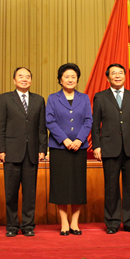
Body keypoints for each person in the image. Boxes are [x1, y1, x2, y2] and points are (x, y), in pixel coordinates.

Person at [0, 67, 48, 237]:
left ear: (31, 80)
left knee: (30, 192)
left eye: (28, 77)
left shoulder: (39, 100)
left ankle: (28, 225)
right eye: (21, 76)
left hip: (32, 152)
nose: (24, 79)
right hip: (11, 152)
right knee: (11, 192)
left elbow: (41, 128)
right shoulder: (4, 99)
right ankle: (12, 225)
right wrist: (0, 149)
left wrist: (42, 149)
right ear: (14, 80)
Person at [91, 63, 130, 235]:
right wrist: (97, 145)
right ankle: (112, 222)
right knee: (111, 187)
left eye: (120, 73)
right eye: (114, 73)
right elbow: (95, 124)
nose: (117, 76)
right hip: (109, 148)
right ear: (108, 78)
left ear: (125, 76)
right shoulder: (100, 97)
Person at [46, 63, 92, 236]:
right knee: (61, 185)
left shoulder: (84, 98)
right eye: (66, 76)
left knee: (77, 185)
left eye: (73, 77)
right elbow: (50, 121)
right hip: (59, 148)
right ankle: (64, 222)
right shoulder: (53, 98)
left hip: (79, 148)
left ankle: (75, 222)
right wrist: (64, 139)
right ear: (60, 79)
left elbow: (88, 120)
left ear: (77, 79)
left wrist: (79, 140)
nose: (70, 79)